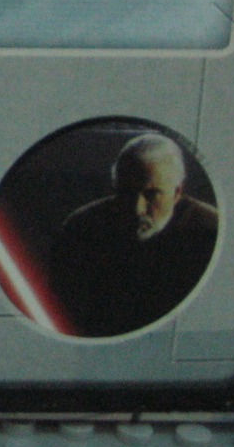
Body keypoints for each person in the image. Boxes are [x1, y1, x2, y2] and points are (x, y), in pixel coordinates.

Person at [45, 133, 218, 337]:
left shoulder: (210, 232)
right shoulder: (82, 228)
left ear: (177, 192)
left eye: (152, 194)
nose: (137, 209)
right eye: (127, 192)